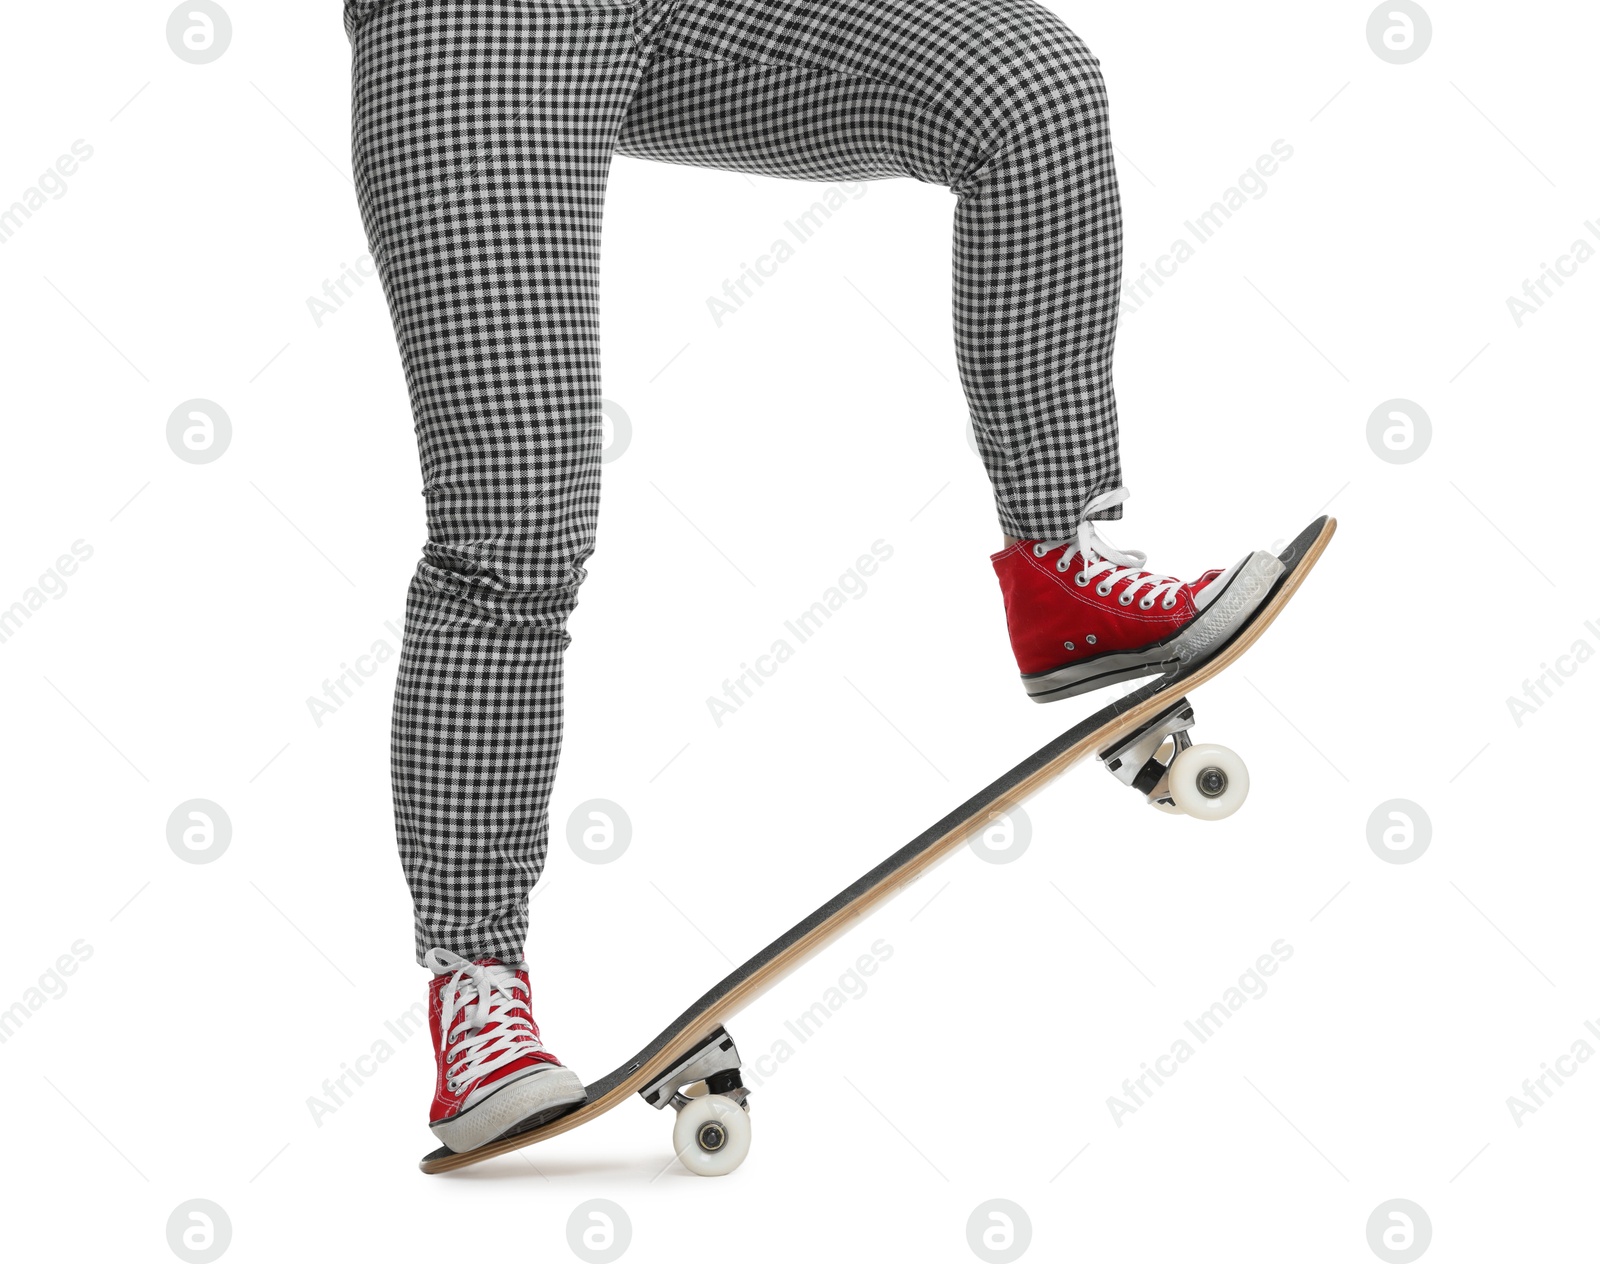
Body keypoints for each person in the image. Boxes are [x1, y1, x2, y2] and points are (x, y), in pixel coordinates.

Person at [344, 0, 1273, 1153]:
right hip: (479, 29)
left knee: (1027, 91)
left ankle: (1061, 573)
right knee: (515, 527)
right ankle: (478, 986)